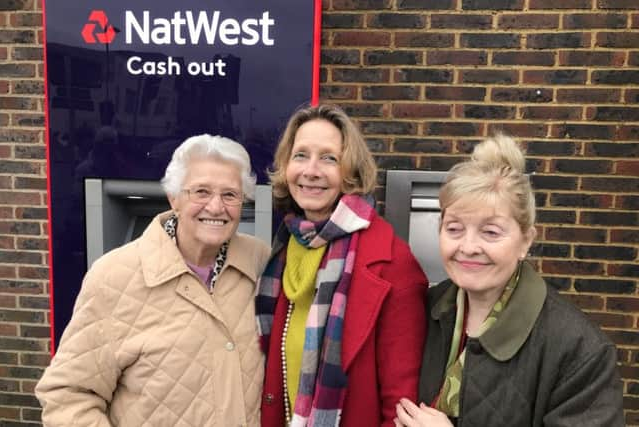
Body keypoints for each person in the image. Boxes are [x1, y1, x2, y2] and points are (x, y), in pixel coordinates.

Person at [36, 134, 270, 426]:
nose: (215, 206)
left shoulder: (261, 262)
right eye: (200, 191)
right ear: (173, 197)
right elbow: (66, 395)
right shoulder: (114, 276)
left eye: (230, 194)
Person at [395, 134, 624, 427]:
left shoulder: (579, 351)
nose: (468, 247)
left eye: (490, 232)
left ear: (525, 241)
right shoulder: (422, 311)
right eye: (454, 228)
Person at [256, 103, 428, 427]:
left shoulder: (393, 265)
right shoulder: (284, 248)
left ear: (351, 172)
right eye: (301, 155)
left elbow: (401, 409)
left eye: (329, 158)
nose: (311, 170)